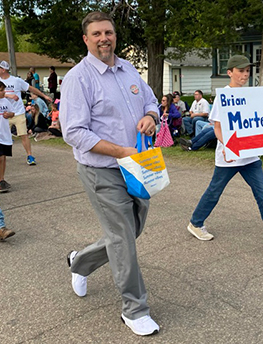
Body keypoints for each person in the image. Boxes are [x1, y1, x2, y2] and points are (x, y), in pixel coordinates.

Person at [59, 11, 160, 337]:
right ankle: (135, 309)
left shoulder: (128, 68)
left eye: (109, 32)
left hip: (137, 166)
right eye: (97, 34)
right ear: (86, 39)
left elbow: (150, 99)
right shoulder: (78, 78)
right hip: (101, 170)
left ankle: (80, 262)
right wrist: (120, 151)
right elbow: (73, 132)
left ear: (115, 36)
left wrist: (150, 116)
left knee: (131, 230)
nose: (104, 38)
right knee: (122, 237)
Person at [186, 55, 263, 252]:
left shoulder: (252, 96)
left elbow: (260, 123)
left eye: (247, 71)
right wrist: (230, 147)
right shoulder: (224, 96)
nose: (245, 74)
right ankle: (196, 223)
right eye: (241, 71)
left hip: (250, 157)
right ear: (230, 72)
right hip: (228, 157)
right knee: (214, 192)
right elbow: (217, 129)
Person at [0, 60, 52, 165]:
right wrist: (8, 95)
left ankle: (30, 156)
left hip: (18, 112)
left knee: (24, 135)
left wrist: (44, 96)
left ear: (3, 69)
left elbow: (31, 88)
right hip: (3, 114)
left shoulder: (16, 81)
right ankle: (2, 158)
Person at [0, 81, 15, 193]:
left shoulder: (5, 101)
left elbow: (12, 113)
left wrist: (9, 114)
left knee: (3, 157)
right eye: (1, 90)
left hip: (4, 134)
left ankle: (1, 180)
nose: (4, 92)